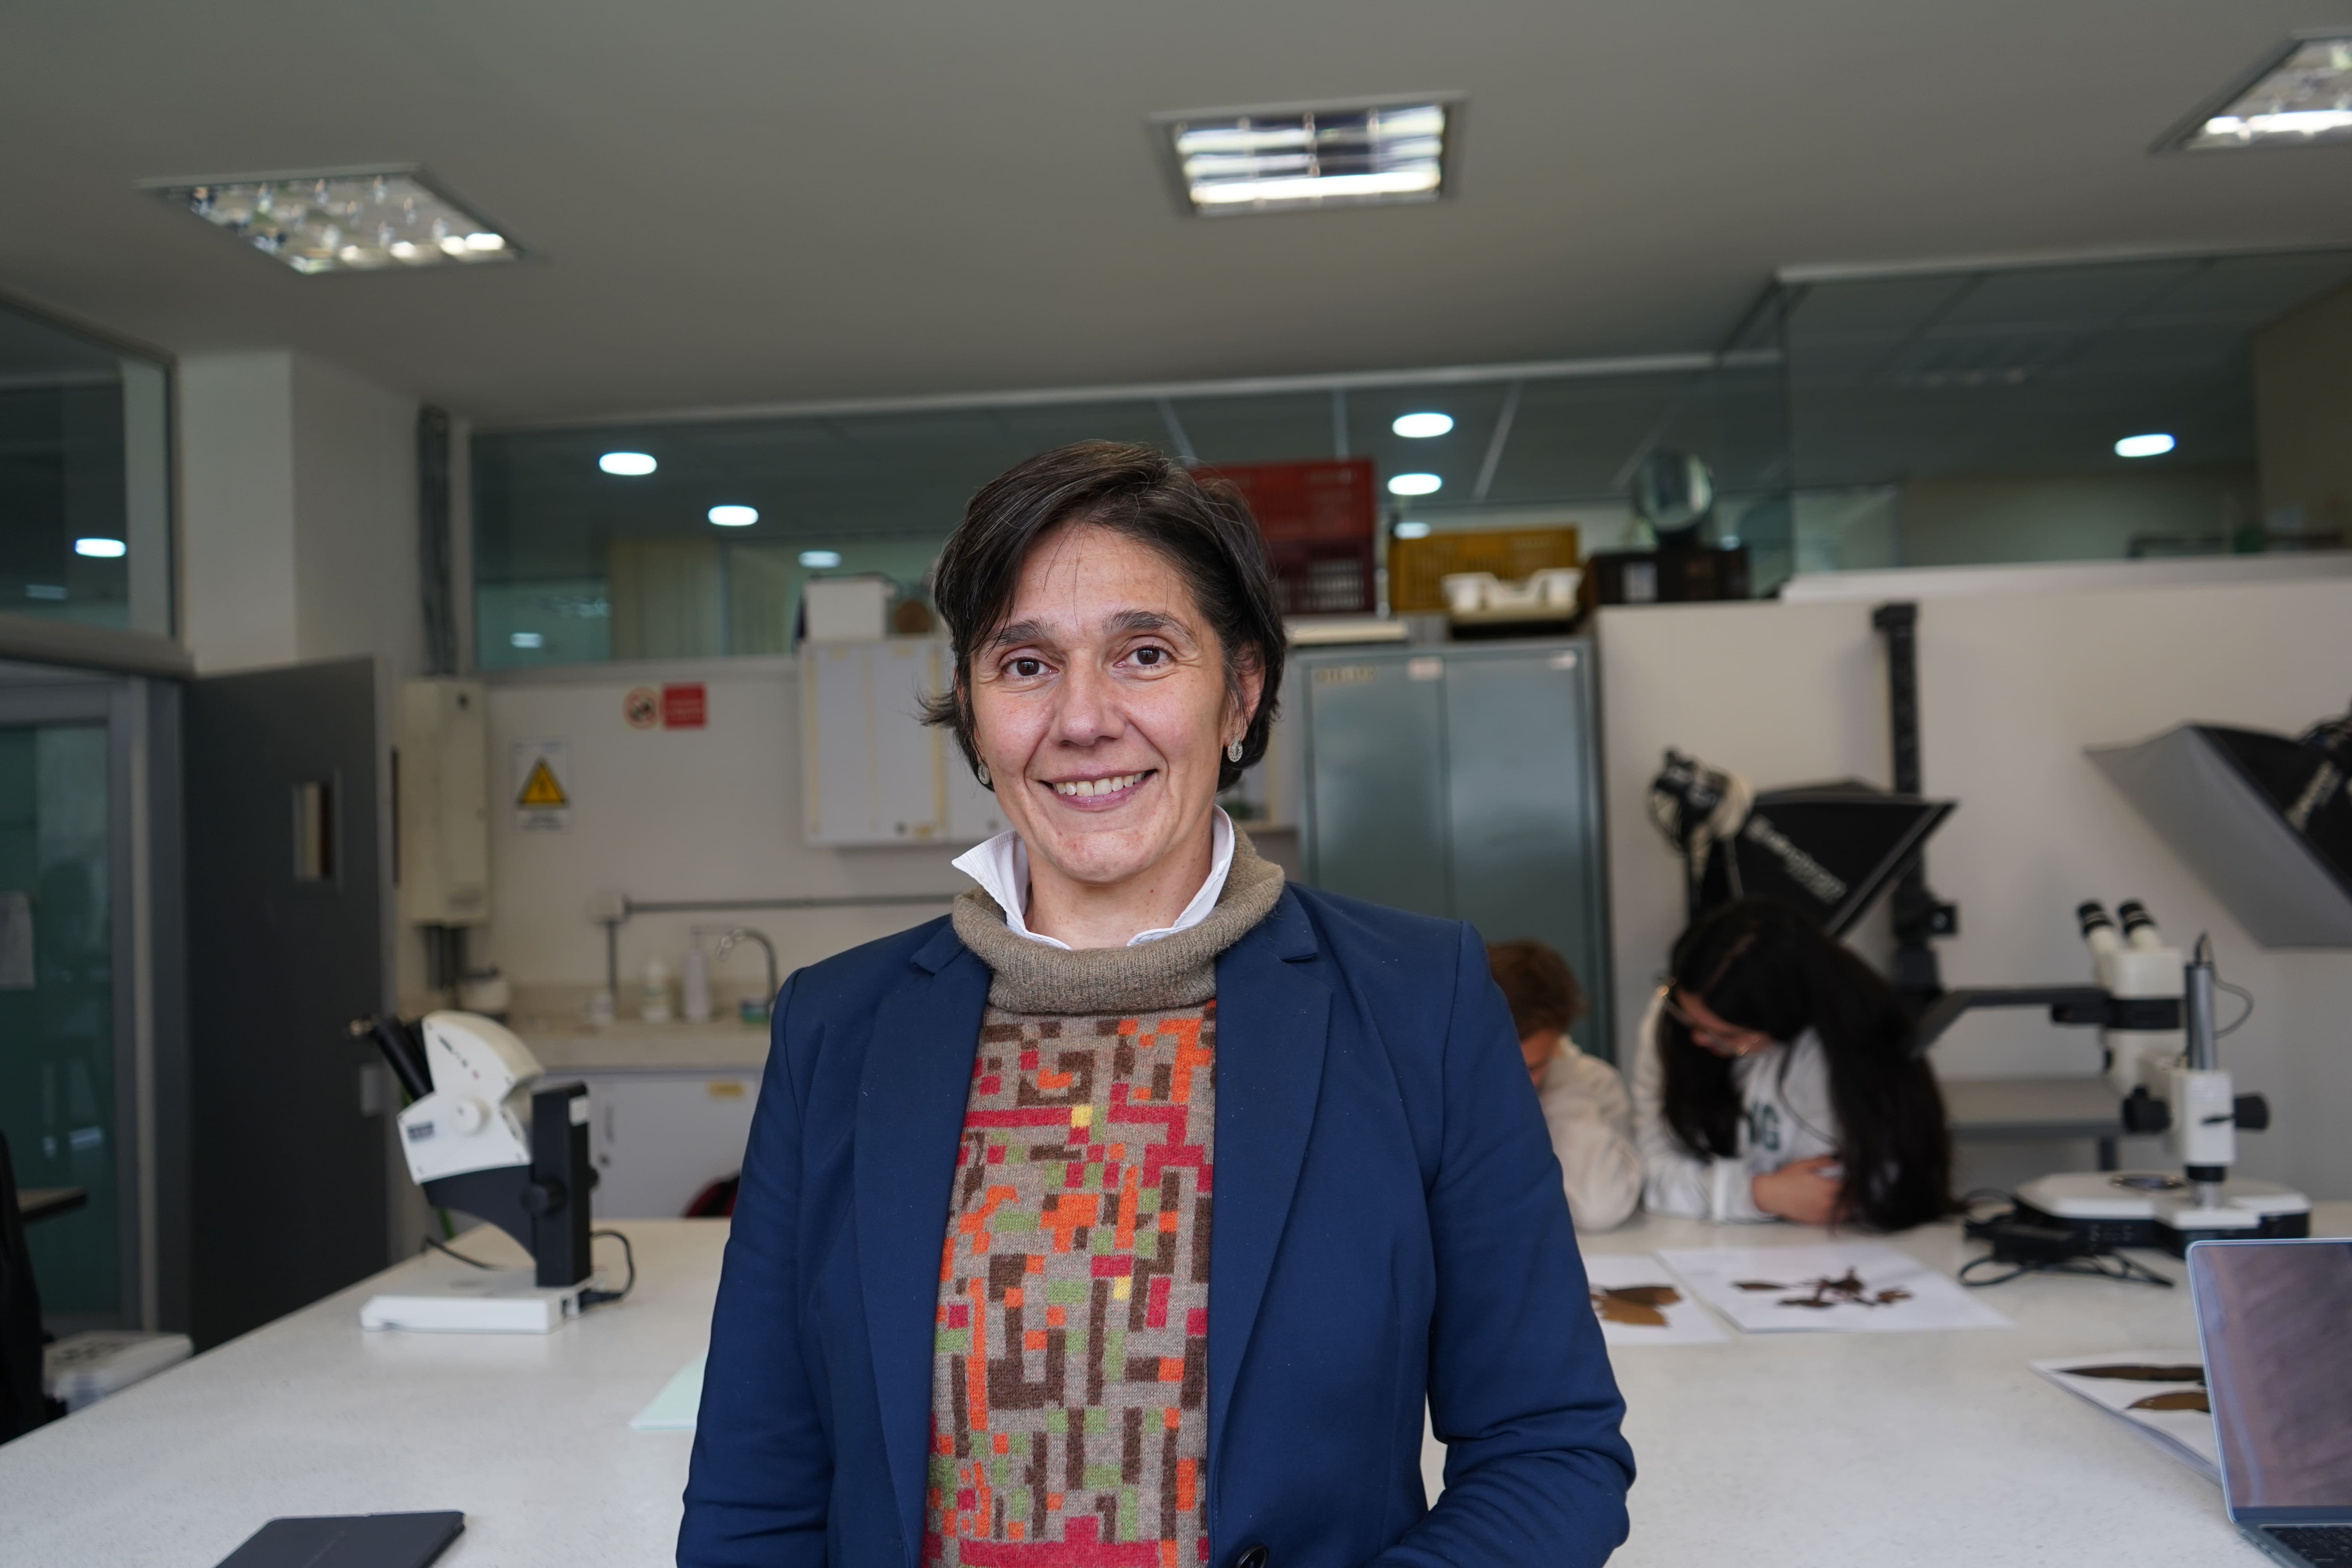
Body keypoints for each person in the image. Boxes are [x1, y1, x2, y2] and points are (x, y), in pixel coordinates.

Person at [679, 442, 1632, 1568]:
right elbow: (758, 1489)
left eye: (1144, 653)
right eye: (1025, 665)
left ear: (1241, 689)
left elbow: (1547, 1447)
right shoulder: (838, 1027)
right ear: (977, 717)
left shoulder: (1418, 1007)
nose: (1082, 719)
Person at [1629, 898, 1951, 1230]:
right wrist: (1759, 1193)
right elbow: (1650, 1170)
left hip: (1840, 1247)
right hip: (1711, 1242)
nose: (1698, 1039)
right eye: (1690, 1020)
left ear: (1784, 1020)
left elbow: (1830, 1194)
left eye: (1729, 1034)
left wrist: (1713, 1191)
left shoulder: (1848, 1046)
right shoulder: (1670, 1019)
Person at [1487, 940, 1641, 1232]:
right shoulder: (1435, 1090)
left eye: (1532, 1067)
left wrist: (1563, 1078)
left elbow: (1599, 1208)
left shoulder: (1593, 1085)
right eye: (1501, 1066)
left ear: (1558, 1042)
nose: (1515, 1082)